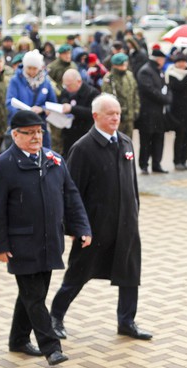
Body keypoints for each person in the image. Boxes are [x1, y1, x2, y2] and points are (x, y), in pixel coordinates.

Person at [0, 110, 91, 367]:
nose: (36, 137)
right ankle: (51, 347)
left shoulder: (54, 160)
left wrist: (82, 227)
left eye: (39, 132)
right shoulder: (2, 166)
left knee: (33, 294)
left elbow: (71, 195)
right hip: (21, 244)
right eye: (29, 133)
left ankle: (18, 339)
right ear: (15, 135)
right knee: (34, 297)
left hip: (50, 240)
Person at [50, 94, 152, 342]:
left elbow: (132, 185)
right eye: (110, 114)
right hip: (94, 228)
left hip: (126, 225)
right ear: (96, 116)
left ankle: (126, 322)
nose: (116, 118)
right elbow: (69, 191)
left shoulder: (126, 142)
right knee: (78, 274)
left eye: (118, 113)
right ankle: (55, 318)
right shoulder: (83, 148)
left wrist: (134, 213)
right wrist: (75, 226)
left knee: (130, 274)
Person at [6, 49, 57, 149]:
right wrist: (25, 113)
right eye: (29, 68)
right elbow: (9, 102)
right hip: (21, 125)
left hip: (40, 125)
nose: (32, 71)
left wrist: (42, 109)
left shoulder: (45, 81)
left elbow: (52, 102)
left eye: (35, 68)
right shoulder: (15, 80)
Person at [136, 49, 171, 175]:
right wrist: (165, 99)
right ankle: (144, 164)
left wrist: (168, 97)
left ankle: (157, 163)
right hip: (148, 112)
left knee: (158, 139)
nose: (164, 62)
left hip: (159, 113)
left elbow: (165, 87)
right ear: (158, 59)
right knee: (146, 140)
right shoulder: (145, 71)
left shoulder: (158, 70)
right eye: (162, 59)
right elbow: (149, 90)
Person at [166, 53, 187, 171]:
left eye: (183, 61)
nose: (182, 64)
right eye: (179, 61)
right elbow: (178, 87)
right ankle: (177, 161)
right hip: (177, 111)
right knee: (179, 136)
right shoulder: (171, 74)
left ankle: (185, 160)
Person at [59, 68, 99, 155]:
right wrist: (64, 103)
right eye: (65, 85)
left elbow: (92, 112)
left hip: (84, 133)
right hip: (68, 133)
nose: (67, 88)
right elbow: (62, 98)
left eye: (69, 85)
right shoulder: (66, 91)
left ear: (79, 81)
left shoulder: (92, 93)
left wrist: (72, 109)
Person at [101, 53, 139, 139]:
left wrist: (136, 109)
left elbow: (135, 94)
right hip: (116, 118)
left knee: (128, 142)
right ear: (115, 65)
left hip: (130, 117)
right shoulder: (109, 79)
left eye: (125, 64)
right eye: (121, 64)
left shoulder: (129, 75)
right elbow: (108, 99)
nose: (124, 66)